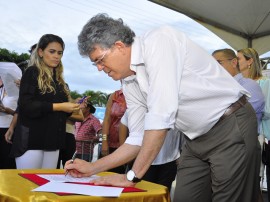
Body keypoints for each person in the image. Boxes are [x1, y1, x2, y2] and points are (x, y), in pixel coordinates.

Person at [65, 14, 260, 202]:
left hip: (230, 125)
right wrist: (93, 168)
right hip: (194, 139)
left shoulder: (159, 41)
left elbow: (161, 115)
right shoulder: (129, 80)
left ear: (119, 46)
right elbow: (137, 136)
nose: (100, 68)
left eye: (100, 60)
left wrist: (131, 177)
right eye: (95, 63)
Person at [9, 34, 80, 169]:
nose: (56, 56)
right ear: (41, 52)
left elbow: (61, 113)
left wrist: (72, 107)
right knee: (28, 187)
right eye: (52, 51)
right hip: (32, 141)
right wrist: (60, 106)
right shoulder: (32, 72)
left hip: (53, 141)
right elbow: (26, 106)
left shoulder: (59, 81)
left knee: (46, 186)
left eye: (60, 53)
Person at [213, 48, 265, 202]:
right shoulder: (220, 85)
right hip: (223, 147)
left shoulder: (250, 85)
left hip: (241, 146)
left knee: (243, 192)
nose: (215, 67)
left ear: (234, 62)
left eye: (219, 63)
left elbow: (234, 116)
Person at [237, 47, 270, 201]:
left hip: (256, 135)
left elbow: (267, 110)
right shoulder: (236, 82)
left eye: (239, 59)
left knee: (253, 180)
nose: (235, 62)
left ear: (249, 61)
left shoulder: (264, 82)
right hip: (236, 136)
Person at [101, 88, 127, 173]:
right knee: (108, 173)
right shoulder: (115, 95)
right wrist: (104, 142)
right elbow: (107, 119)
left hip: (131, 144)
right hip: (112, 143)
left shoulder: (141, 93)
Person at [75, 97, 102, 162]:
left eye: (82, 107)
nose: (80, 108)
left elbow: (102, 133)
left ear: (88, 108)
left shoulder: (94, 120)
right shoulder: (77, 119)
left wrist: (98, 138)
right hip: (75, 151)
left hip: (86, 153)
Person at [0, 76, 18, 168]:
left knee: (6, 162)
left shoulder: (16, 91)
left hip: (9, 129)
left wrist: (7, 110)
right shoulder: (1, 90)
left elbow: (20, 112)